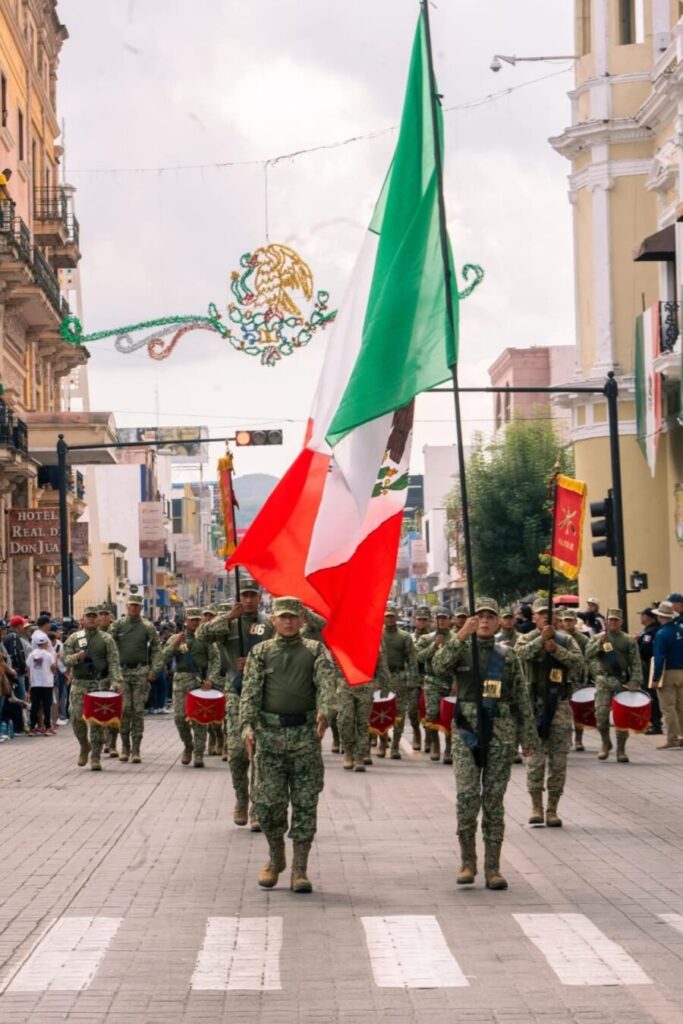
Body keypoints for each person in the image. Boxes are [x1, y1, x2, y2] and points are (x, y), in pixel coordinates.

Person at [432, 598, 536, 890]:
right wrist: (460, 636)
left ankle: (493, 868)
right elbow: (438, 668)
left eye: (491, 616)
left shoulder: (508, 655)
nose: (486, 621)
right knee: (467, 797)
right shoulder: (459, 647)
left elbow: (521, 698)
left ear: (499, 621)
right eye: (480, 616)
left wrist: (528, 737)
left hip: (500, 732)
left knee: (493, 800)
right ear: (472, 620)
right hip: (467, 731)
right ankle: (468, 862)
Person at [239, 596, 337, 893]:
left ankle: (299, 869)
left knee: (305, 804)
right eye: (283, 617)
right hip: (269, 737)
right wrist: (246, 726)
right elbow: (250, 692)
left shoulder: (315, 650)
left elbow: (326, 684)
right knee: (268, 806)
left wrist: (326, 710)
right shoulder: (261, 652)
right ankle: (275, 856)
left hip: (305, 736)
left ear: (303, 620)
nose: (288, 622)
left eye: (293, 617)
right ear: (273, 620)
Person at [196, 579, 274, 825]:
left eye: (252, 595)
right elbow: (201, 635)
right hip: (236, 691)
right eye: (244, 595)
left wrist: (257, 664)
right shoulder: (228, 623)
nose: (248, 600)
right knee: (238, 753)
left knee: (260, 752)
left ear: (259, 597)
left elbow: (280, 654)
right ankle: (241, 798)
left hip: (264, 693)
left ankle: (257, 807)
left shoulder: (269, 624)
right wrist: (229, 616)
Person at [516, 599, 583, 827]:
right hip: (534, 707)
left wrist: (557, 650)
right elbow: (520, 654)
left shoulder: (566, 639)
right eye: (541, 613)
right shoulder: (526, 638)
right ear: (534, 617)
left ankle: (553, 809)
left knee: (558, 762)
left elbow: (579, 662)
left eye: (549, 613)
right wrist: (540, 641)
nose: (545, 617)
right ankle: (536, 806)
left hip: (560, 706)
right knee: (535, 762)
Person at [62, 607, 123, 770]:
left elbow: (114, 662)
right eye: (88, 616)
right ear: (82, 619)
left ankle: (95, 757)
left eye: (94, 616)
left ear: (98, 620)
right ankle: (84, 745)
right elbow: (64, 659)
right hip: (79, 684)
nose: (91, 619)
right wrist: (76, 657)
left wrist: (116, 681)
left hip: (98, 684)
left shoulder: (106, 639)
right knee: (76, 717)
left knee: (97, 722)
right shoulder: (74, 638)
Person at [110, 596, 163, 763]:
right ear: (127, 606)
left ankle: (136, 749)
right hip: (122, 673)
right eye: (131, 605)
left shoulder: (148, 627)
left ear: (141, 607)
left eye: (137, 605)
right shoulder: (118, 625)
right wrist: (113, 673)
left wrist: (154, 670)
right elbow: (110, 649)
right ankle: (125, 747)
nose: (134, 608)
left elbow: (156, 650)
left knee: (138, 711)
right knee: (124, 709)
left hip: (141, 672)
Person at [585, 608, 642, 762]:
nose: (612, 622)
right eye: (610, 620)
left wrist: (635, 681)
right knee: (601, 715)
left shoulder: (628, 640)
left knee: (621, 717)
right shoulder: (598, 637)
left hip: (621, 682)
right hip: (603, 680)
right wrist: (599, 643)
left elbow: (635, 662)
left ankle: (621, 750)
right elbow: (587, 654)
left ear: (621, 622)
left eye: (616, 620)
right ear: (606, 621)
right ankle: (605, 742)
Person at [165, 608, 219, 768]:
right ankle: (188, 745)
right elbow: (163, 657)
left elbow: (215, 660)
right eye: (192, 620)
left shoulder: (206, 639)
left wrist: (211, 679)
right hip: (180, 683)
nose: (195, 622)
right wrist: (175, 644)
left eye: (197, 619)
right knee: (179, 718)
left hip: (200, 682)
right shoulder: (176, 638)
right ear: (186, 621)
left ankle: (198, 753)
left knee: (200, 719)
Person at [417, 607, 455, 764]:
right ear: (434, 621)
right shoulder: (426, 638)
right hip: (432, 681)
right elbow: (419, 657)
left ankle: (449, 748)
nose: (441, 621)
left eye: (445, 618)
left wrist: (456, 683)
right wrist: (434, 645)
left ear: (450, 620)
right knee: (431, 714)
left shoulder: (456, 638)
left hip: (450, 681)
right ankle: (435, 743)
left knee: (450, 716)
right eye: (439, 618)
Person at [381, 604, 419, 759]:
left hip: (400, 678)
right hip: (382, 678)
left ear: (396, 617)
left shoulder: (404, 636)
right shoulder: (377, 634)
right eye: (387, 616)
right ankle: (382, 742)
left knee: (399, 713)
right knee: (381, 711)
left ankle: (395, 746)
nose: (390, 619)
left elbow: (412, 660)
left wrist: (413, 681)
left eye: (392, 616)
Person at [650, 600, 683, 749]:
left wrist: (656, 678)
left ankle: (672, 739)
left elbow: (660, 658)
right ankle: (682, 736)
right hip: (681, 671)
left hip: (668, 672)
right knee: (680, 706)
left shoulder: (661, 633)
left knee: (668, 707)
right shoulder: (680, 630)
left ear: (660, 617)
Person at [559, 608, 590, 750]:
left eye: (570, 620)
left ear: (575, 621)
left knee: (578, 710)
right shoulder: (558, 637)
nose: (567, 623)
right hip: (561, 678)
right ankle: (566, 739)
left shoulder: (583, 639)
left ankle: (579, 739)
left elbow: (587, 659)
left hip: (577, 679)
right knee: (563, 710)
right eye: (565, 620)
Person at [636, 607, 662, 735]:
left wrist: (637, 642)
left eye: (642, 615)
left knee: (651, 695)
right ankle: (654, 722)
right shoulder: (651, 630)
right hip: (651, 665)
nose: (641, 617)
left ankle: (655, 723)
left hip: (649, 666)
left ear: (648, 617)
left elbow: (644, 650)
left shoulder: (650, 632)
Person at [26, 632, 56, 735]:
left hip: (35, 684)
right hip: (47, 683)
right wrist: (52, 672)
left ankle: (32, 728)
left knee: (35, 706)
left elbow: (28, 667)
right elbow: (53, 667)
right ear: (46, 643)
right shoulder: (48, 655)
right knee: (47, 706)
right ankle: (47, 728)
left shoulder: (31, 655)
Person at [3, 616, 29, 701]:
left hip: (13, 672)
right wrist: (22, 667)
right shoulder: (13, 636)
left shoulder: (10, 635)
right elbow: (15, 654)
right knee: (20, 698)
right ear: (19, 625)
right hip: (16, 673)